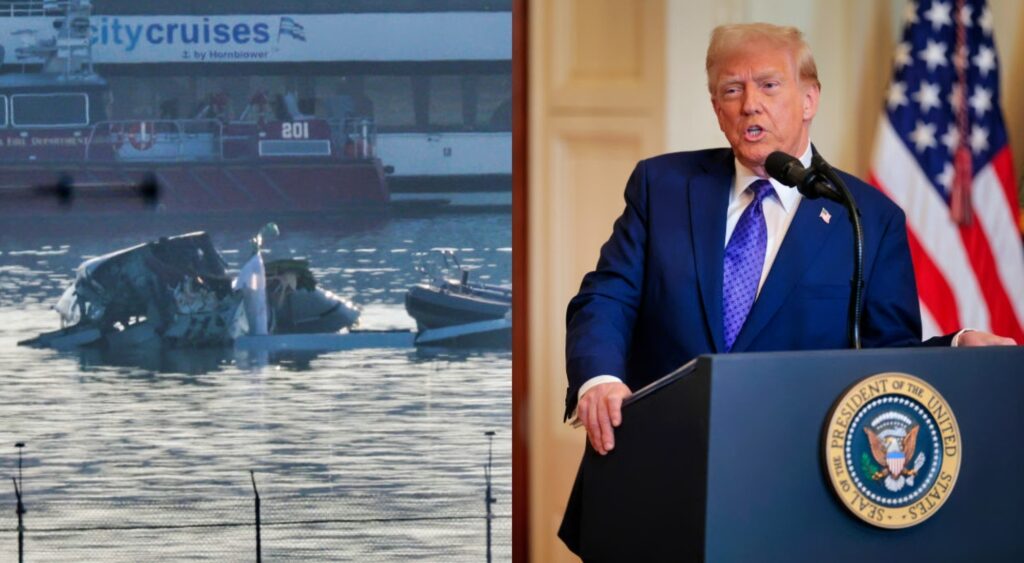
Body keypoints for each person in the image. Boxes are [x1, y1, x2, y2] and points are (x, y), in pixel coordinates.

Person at [565, 23, 1015, 457]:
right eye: (732, 90)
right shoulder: (661, 185)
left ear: (808, 99)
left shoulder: (868, 219)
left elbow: (886, 358)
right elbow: (607, 297)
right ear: (717, 108)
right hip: (661, 462)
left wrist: (955, 347)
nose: (749, 105)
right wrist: (599, 377)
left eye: (768, 85)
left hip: (792, 470)